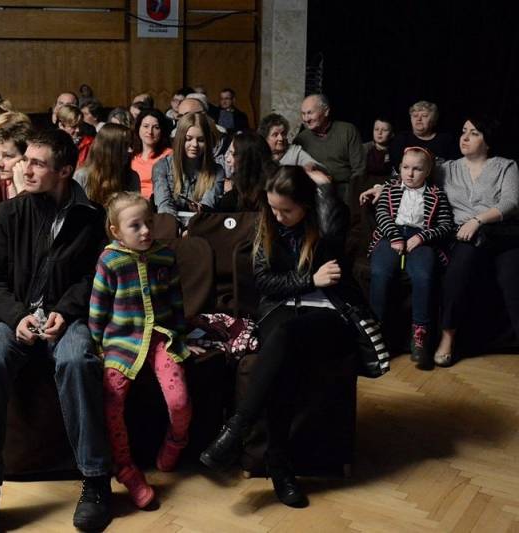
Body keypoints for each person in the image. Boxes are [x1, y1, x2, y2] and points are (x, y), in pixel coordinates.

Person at [0, 129, 112, 533]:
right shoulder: (6, 214)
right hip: (11, 318)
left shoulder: (91, 218)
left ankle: (96, 482)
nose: (23, 169)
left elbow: (94, 277)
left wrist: (65, 310)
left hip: (66, 319)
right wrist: (16, 317)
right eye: (24, 159)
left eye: (36, 163)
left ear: (64, 171)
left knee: (78, 360)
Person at [200, 165, 362, 509]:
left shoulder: (324, 225)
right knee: (284, 354)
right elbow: (265, 282)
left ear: (306, 204)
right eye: (273, 207)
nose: (278, 216)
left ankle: (238, 429)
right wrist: (309, 279)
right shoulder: (268, 224)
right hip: (280, 308)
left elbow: (336, 226)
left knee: (287, 337)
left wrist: (324, 188)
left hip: (329, 312)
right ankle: (278, 463)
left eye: (286, 210)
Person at [360, 116, 519, 366]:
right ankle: (442, 338)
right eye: (464, 131)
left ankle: (425, 337)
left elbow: (511, 202)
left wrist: (477, 220)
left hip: (499, 232)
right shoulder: (447, 167)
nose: (465, 137)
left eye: (474, 133)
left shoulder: (505, 166)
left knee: (512, 277)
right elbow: (412, 170)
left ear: (488, 141)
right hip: (463, 236)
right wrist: (381, 187)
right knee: (457, 268)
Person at [89, 192, 192, 508]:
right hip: (121, 343)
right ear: (116, 231)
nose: (146, 231)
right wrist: (97, 346)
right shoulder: (110, 260)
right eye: (135, 226)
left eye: (149, 222)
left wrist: (181, 337)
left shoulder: (165, 256)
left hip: (161, 339)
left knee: (179, 400)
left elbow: (176, 301)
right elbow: (98, 308)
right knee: (112, 402)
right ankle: (125, 468)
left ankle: (176, 441)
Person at [367, 147, 454, 368]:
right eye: (405, 167)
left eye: (417, 169)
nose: (410, 173)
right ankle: (376, 334)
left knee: (423, 276)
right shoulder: (390, 188)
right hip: (390, 235)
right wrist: (394, 236)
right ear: (399, 168)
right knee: (380, 273)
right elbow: (382, 214)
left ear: (427, 172)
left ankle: (420, 336)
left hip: (421, 238)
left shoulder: (436, 194)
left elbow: (446, 225)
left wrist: (422, 237)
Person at [293, 94, 366, 206]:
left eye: (310, 113)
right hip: (314, 191)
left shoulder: (347, 131)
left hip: (346, 190)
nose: (306, 119)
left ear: (326, 111)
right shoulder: (301, 139)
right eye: (303, 114)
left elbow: (359, 169)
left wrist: (352, 198)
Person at [152, 111, 225, 219]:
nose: (194, 144)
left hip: (200, 223)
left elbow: (207, 207)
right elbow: (164, 206)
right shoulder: (162, 166)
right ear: (180, 140)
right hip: (170, 223)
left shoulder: (217, 171)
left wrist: (199, 210)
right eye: (188, 139)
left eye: (201, 140)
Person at [75, 123, 139, 205]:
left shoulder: (132, 178)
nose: (130, 150)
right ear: (109, 148)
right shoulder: (82, 176)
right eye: (125, 145)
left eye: (130, 145)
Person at [388, 100, 459, 170]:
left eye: (424, 116)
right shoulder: (401, 139)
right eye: (415, 116)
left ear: (433, 121)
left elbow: (453, 167)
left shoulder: (447, 140)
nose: (419, 119)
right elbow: (398, 167)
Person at [217, 130, 276, 212]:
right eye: (228, 153)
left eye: (233, 154)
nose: (227, 159)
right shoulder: (232, 197)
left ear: (248, 158)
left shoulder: (275, 192)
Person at [131, 108, 172, 199]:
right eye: (145, 126)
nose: (150, 132)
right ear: (138, 128)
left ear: (162, 131)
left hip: (156, 202)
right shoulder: (131, 155)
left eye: (156, 127)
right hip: (132, 201)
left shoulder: (169, 155)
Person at [258, 113, 322, 168]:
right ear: (265, 137)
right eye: (275, 135)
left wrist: (310, 166)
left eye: (283, 133)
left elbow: (319, 167)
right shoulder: (258, 153)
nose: (281, 138)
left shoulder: (294, 152)